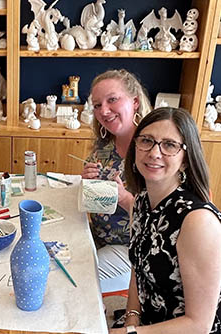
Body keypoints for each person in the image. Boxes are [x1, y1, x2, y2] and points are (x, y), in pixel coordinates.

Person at [113, 107, 221, 333]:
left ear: (185, 159)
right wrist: (131, 319)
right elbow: (138, 269)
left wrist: (131, 333)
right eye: (146, 141)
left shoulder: (197, 221)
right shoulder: (142, 201)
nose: (154, 153)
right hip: (148, 325)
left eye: (169, 145)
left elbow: (199, 325)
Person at [81, 69, 152, 293]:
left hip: (136, 247)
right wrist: (87, 185)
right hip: (97, 237)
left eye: (112, 100)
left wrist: (124, 199)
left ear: (135, 102)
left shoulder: (154, 150)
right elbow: (94, 205)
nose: (104, 110)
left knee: (80, 282)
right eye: (97, 105)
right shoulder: (104, 149)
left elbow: (166, 221)